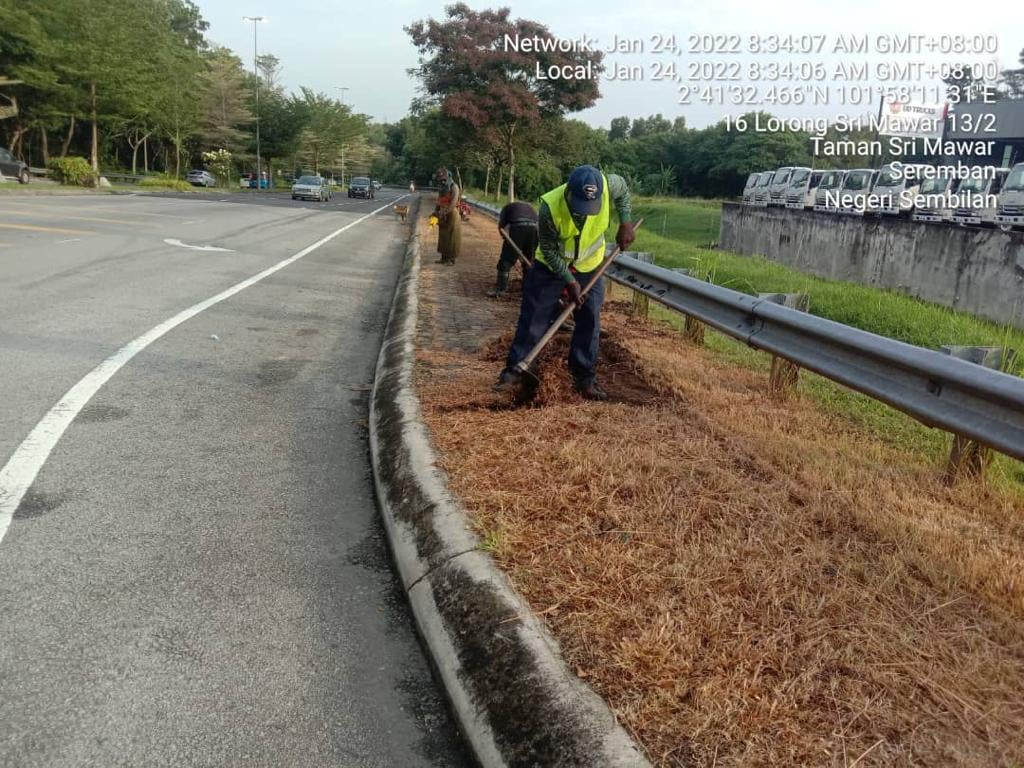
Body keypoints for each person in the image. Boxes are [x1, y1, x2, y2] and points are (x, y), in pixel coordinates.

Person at [494, 165, 634, 400]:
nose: (584, 214)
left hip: (589, 265)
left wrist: (625, 222)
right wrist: (569, 280)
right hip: (550, 266)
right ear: (568, 193)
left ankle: (583, 377)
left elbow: (624, 192)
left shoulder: (609, 184)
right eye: (579, 206)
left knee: (590, 318)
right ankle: (516, 372)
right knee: (534, 317)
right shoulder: (549, 207)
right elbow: (549, 249)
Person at [486, 200, 538, 299]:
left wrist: (509, 246)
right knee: (529, 261)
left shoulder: (506, 209)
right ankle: (526, 290)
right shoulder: (531, 208)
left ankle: (501, 289)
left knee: (506, 260)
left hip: (518, 227)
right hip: (534, 229)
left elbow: (501, 228)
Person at [432, 167, 461, 265]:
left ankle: (451, 259)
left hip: (452, 214)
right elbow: (439, 200)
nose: (441, 181)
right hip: (442, 214)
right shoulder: (442, 188)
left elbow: (453, 203)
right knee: (443, 236)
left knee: (451, 237)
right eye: (440, 179)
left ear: (448, 177)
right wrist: (435, 212)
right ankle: (444, 258)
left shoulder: (454, 187)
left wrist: (444, 212)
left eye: (443, 179)